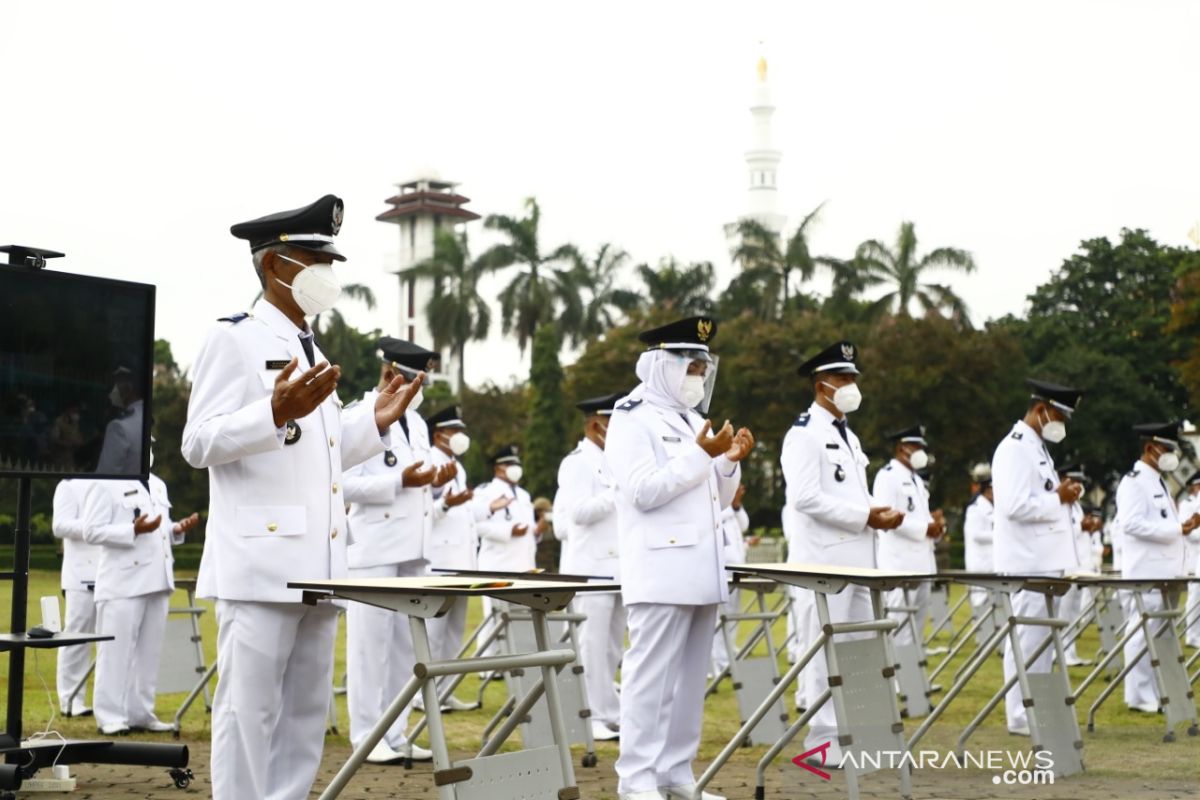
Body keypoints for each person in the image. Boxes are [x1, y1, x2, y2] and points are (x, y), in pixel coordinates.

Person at [181, 194, 423, 800]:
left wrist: (376, 422)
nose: (326, 272)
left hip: (319, 563)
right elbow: (197, 443)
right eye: (311, 258)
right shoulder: (234, 339)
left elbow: (323, 452)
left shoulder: (310, 346)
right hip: (261, 564)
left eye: (329, 259)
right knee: (247, 713)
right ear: (273, 267)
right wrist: (270, 411)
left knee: (304, 715)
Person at [606, 315, 753, 800]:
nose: (698, 376)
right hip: (660, 569)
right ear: (660, 365)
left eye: (702, 368)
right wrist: (699, 456)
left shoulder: (693, 421)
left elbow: (719, 497)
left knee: (691, 681)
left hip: (700, 569)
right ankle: (637, 782)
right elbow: (643, 491)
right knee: (650, 681)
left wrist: (728, 460)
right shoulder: (631, 418)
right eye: (690, 366)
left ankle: (676, 775)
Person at [781, 340, 904, 762]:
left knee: (860, 649)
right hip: (823, 563)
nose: (851, 385)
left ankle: (858, 734)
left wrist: (876, 511)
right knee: (823, 651)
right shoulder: (804, 434)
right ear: (822, 385)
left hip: (858, 562)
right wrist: (865, 516)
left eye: (853, 377)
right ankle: (820, 743)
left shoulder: (847, 435)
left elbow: (849, 496)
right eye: (843, 378)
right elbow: (804, 498)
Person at [343, 338, 452, 764]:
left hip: (413, 546)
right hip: (374, 548)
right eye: (413, 379)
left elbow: (416, 475)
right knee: (371, 647)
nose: (417, 388)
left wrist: (435, 481)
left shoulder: (419, 423)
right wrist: (397, 484)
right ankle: (367, 737)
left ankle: (397, 731)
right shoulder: (357, 416)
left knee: (406, 646)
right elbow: (340, 483)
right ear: (390, 375)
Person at [990, 378, 1084, 736]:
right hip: (1026, 561)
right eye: (1059, 415)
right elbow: (1012, 506)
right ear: (1041, 409)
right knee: (1027, 641)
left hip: (1044, 561)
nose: (1062, 423)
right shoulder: (1015, 448)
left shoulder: (1037, 447)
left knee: (1042, 642)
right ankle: (1019, 714)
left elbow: (1041, 499)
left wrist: (1062, 497)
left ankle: (1035, 707)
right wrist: (1057, 498)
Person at [81, 467, 199, 734]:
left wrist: (176, 529)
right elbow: (91, 531)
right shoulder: (105, 482)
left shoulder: (157, 483)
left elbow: (159, 530)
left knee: (149, 653)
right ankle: (110, 716)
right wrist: (131, 530)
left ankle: (140, 713)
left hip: (157, 578)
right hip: (122, 581)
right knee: (115, 653)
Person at [553, 391, 626, 743]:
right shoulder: (577, 462)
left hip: (618, 568)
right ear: (597, 424)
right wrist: (617, 492)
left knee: (612, 645)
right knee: (591, 645)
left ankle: (609, 711)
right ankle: (590, 714)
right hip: (591, 567)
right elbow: (579, 512)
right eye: (614, 423)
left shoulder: (616, 461)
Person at [1114, 422, 1199, 712]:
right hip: (1145, 570)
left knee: (1160, 633)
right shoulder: (1135, 481)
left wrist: (1181, 529)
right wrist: (1177, 529)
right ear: (1151, 448)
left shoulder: (1157, 480)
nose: (1172, 455)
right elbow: (1131, 524)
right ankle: (1137, 696)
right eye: (1167, 449)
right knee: (1142, 633)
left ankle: (1153, 691)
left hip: (1164, 570)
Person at [422, 405, 481, 711]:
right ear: (440, 434)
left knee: (454, 633)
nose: (460, 437)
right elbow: (424, 514)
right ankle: (424, 694)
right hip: (440, 561)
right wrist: (446, 504)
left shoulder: (458, 466)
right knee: (433, 633)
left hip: (460, 562)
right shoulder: (430, 461)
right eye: (455, 432)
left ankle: (445, 691)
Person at [873, 424, 944, 648]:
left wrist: (935, 526)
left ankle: (912, 680)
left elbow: (919, 516)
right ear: (902, 448)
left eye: (922, 446)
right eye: (915, 446)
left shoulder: (915, 480)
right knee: (899, 627)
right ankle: (896, 681)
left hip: (922, 564)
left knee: (916, 629)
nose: (920, 451)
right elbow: (887, 516)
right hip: (899, 564)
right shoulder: (888, 476)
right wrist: (925, 528)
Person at [474, 445, 540, 662]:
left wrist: (536, 533)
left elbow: (528, 531)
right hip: (497, 562)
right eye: (509, 464)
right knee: (493, 616)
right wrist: (508, 531)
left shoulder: (523, 494)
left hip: (523, 563)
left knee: (521, 616)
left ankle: (516, 661)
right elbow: (476, 525)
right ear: (497, 468)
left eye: (516, 464)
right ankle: (487, 667)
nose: (514, 468)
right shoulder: (485, 492)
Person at [52, 478, 101, 716]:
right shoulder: (69, 484)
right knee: (76, 638)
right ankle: (70, 700)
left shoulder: (118, 484)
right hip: (81, 573)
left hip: (114, 574)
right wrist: (96, 525)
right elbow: (59, 525)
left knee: (112, 641)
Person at [711, 483, 751, 677]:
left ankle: (727, 656)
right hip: (722, 566)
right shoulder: (716, 500)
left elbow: (744, 524)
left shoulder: (733, 511)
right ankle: (716, 662)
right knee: (719, 617)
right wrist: (730, 501)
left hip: (737, 566)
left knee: (734, 614)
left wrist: (737, 505)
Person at [1055, 464, 1091, 666]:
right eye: (1074, 481)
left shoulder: (1075, 505)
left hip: (1078, 566)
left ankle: (1071, 651)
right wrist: (1081, 526)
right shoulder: (1061, 503)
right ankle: (1061, 653)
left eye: (1080, 482)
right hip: (1066, 567)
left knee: (1074, 612)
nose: (1078, 486)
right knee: (1063, 613)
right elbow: (1062, 532)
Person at [95, 366, 145, 475]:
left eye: (115, 385)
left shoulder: (118, 427)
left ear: (128, 388)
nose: (111, 393)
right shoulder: (146, 417)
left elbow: (104, 476)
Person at [963, 466, 995, 611]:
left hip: (993, 566)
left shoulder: (993, 508)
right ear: (986, 489)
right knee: (982, 608)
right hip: (981, 566)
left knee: (997, 609)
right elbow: (976, 535)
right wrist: (1001, 535)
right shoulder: (975, 508)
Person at [1179, 472, 1200, 649]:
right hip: (1193, 557)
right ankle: (1192, 635)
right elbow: (1188, 533)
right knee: (1195, 597)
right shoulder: (1187, 506)